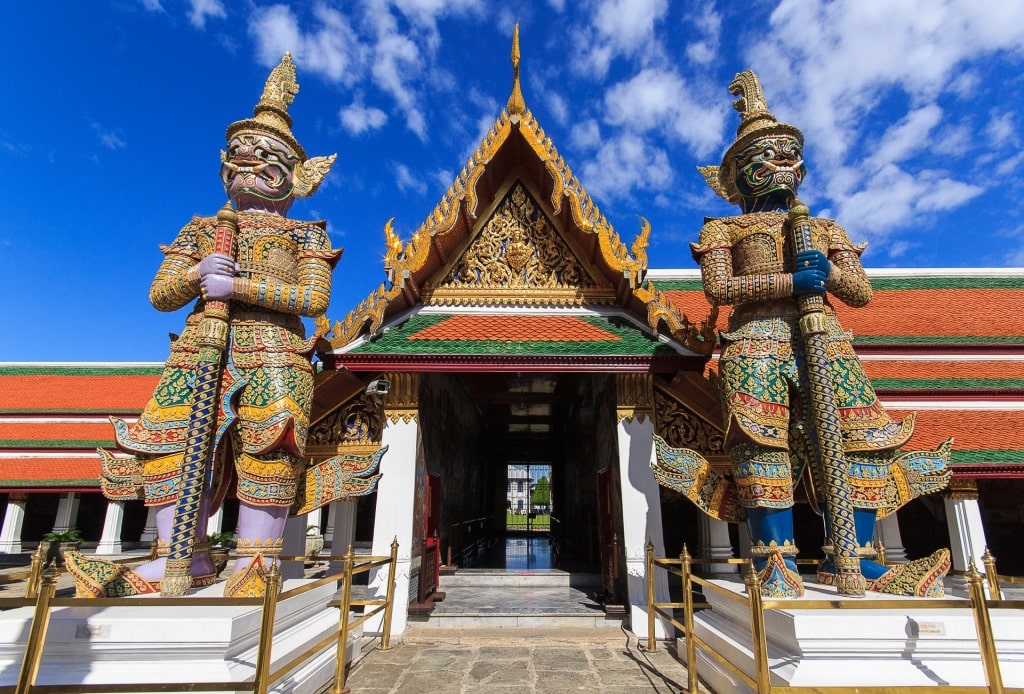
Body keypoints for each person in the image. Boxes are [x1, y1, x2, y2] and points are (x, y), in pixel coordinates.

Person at [67, 53, 339, 598]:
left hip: (274, 350)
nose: (249, 161)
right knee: (168, 440)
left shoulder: (306, 235)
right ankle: (178, 557)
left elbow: (312, 298)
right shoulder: (200, 228)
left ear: (295, 175)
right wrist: (195, 273)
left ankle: (255, 560)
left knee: (271, 443)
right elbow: (159, 295)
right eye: (240, 152)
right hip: (198, 349)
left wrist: (234, 287)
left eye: (265, 156)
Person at [685, 70, 951, 598]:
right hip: (755, 341)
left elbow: (860, 291)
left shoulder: (825, 228)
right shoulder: (723, 229)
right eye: (768, 155)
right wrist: (791, 280)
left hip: (825, 338)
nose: (783, 163)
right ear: (739, 174)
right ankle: (773, 560)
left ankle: (856, 557)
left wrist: (824, 275)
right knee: (762, 445)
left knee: (861, 442)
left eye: (789, 154)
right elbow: (719, 287)